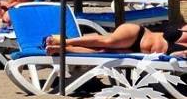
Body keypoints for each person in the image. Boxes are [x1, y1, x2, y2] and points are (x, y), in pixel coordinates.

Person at [45, 23, 187, 57]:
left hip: (137, 51)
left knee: (101, 52)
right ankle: (64, 41)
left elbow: (176, 56)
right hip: (138, 35)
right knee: (107, 42)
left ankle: (61, 49)